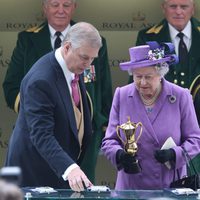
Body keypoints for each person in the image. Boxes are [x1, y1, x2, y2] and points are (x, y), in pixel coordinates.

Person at [2, 0, 112, 183]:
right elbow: (42, 134)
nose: (88, 64)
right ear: (67, 47)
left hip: (62, 166)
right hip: (35, 173)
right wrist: (69, 168)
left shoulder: (73, 64)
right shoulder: (41, 80)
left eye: (92, 59)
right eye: (85, 58)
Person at [101, 41, 200, 190]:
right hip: (131, 187)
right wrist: (119, 155)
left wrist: (174, 154)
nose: (142, 82)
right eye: (137, 76)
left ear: (161, 73)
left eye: (148, 76)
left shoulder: (180, 96)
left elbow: (195, 140)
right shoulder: (121, 95)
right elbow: (109, 141)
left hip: (168, 186)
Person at [129, 0, 200, 173]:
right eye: (173, 6)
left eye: (184, 7)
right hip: (163, 122)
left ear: (193, 8)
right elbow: (139, 82)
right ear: (163, 8)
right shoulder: (149, 37)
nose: (178, 12)